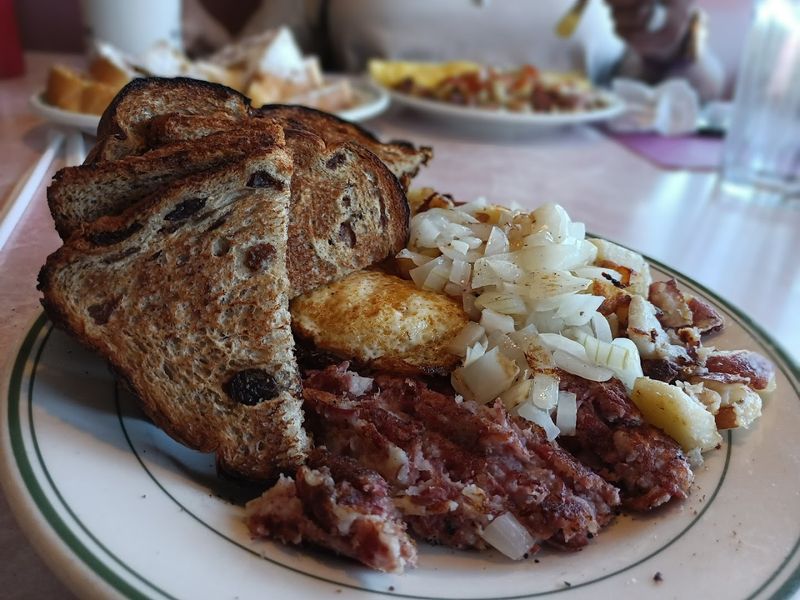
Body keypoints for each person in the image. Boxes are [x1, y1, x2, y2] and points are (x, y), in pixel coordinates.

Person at [186, 0, 725, 100]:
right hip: (366, 159)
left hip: (589, 191)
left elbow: (698, 95)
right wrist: (196, 33)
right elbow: (254, 57)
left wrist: (676, 46)